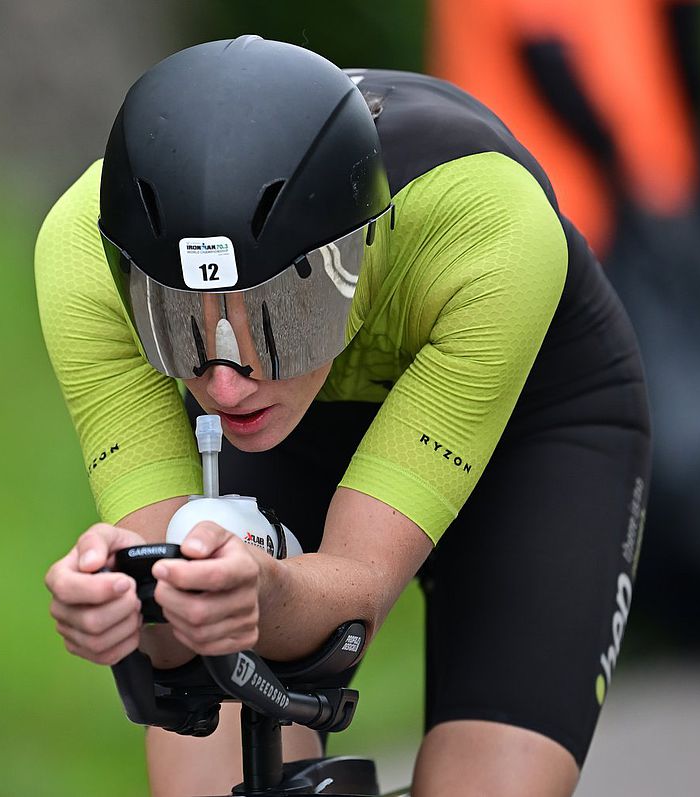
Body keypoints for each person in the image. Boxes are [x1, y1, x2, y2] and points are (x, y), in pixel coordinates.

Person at [36, 36, 650, 797]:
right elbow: (183, 660)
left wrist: (260, 595)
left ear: (360, 252)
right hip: (290, 435)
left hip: (533, 430)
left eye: (282, 317)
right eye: (178, 325)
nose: (226, 385)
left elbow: (352, 595)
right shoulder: (80, 252)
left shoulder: (487, 224)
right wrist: (133, 604)